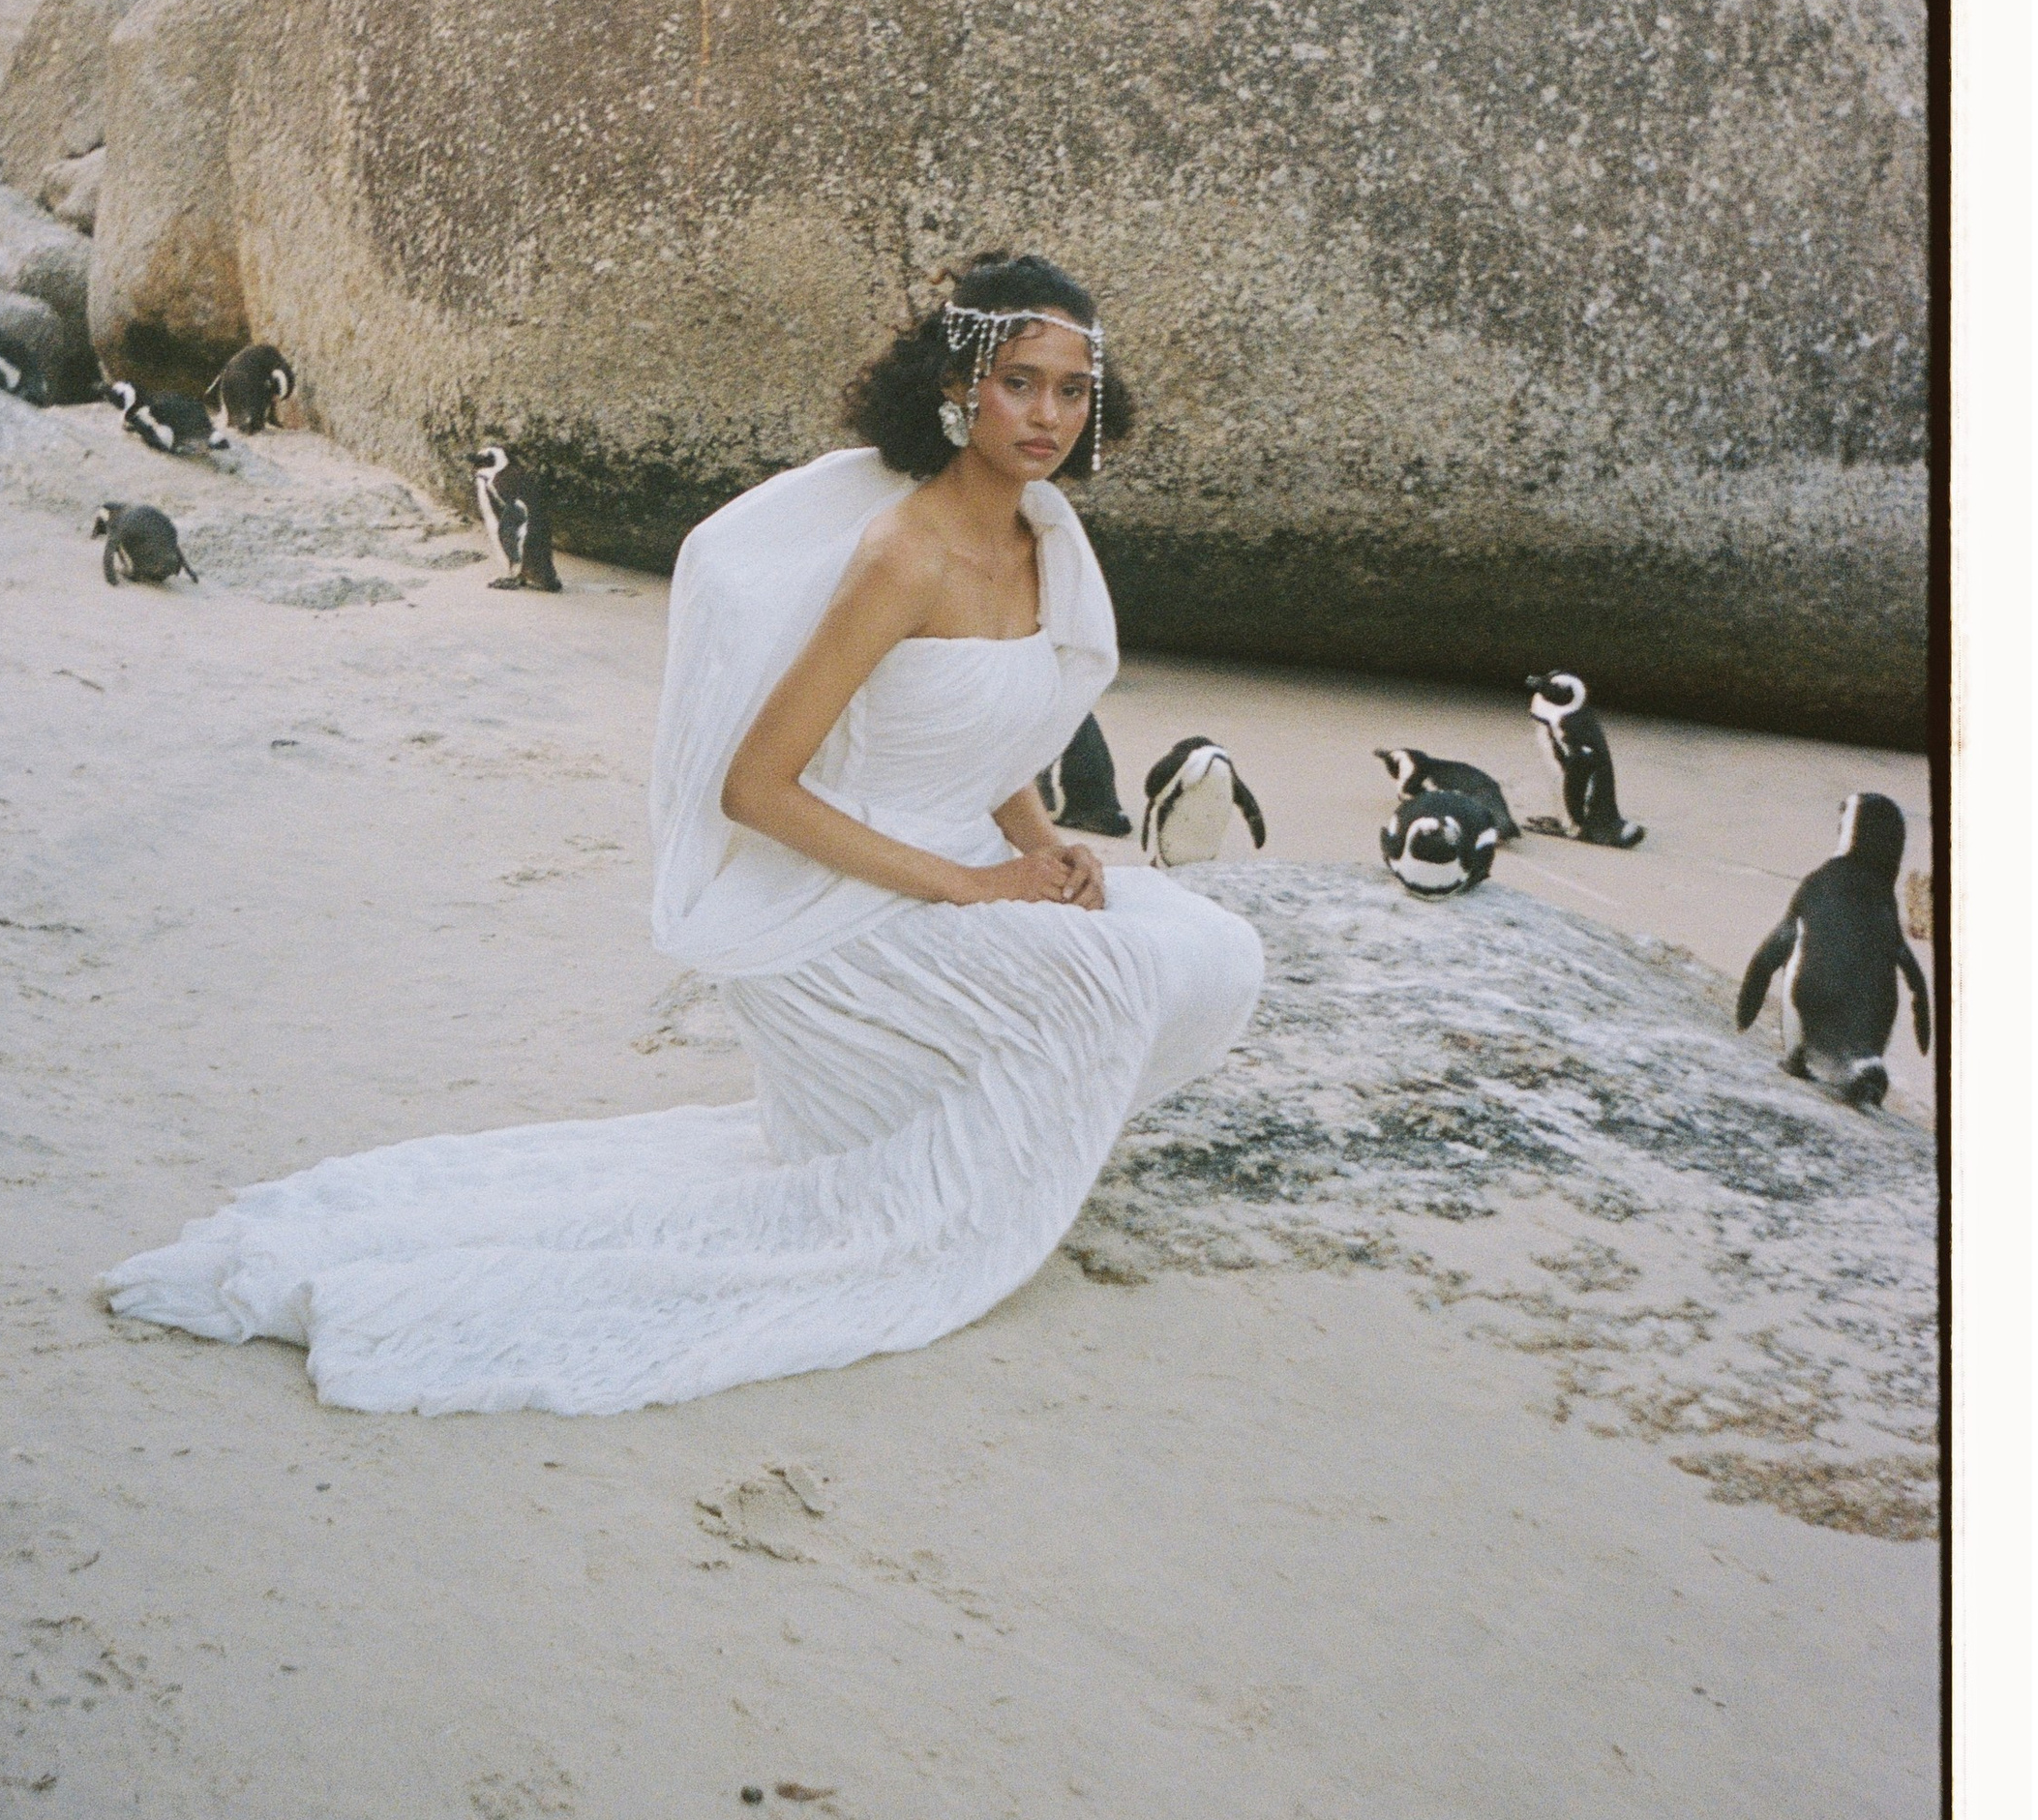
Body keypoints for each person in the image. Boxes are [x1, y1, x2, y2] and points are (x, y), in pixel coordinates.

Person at [99, 251, 1264, 1416]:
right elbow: (756, 789)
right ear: (959, 386)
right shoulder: (902, 555)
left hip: (958, 861)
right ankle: (930, 1152)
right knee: (1107, 980)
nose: (1047, 415)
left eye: (1071, 389)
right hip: (836, 907)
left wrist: (1045, 843)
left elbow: (989, 728)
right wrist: (971, 886)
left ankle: (977, 1120)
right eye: (1020, 382)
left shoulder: (1044, 536)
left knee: (1212, 951)